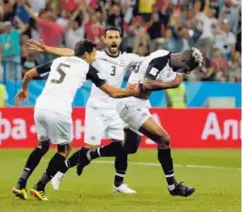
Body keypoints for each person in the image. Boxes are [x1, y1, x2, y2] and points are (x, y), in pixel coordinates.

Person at [11, 39, 140, 201]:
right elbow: (112, 92)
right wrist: (131, 92)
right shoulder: (87, 67)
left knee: (42, 146)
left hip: (40, 106)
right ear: (86, 54)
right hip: (59, 109)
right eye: (93, 53)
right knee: (64, 150)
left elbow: (28, 74)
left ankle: (20, 183)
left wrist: (24, 90)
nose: (94, 57)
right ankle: (40, 187)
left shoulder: (59, 60)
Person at [77, 48, 204, 197]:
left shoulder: (169, 59)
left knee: (129, 148)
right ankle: (173, 186)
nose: (186, 73)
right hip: (131, 103)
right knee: (164, 140)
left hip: (140, 103)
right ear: (182, 61)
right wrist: (172, 84)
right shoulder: (161, 60)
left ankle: (89, 155)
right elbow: (148, 83)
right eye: (187, 69)